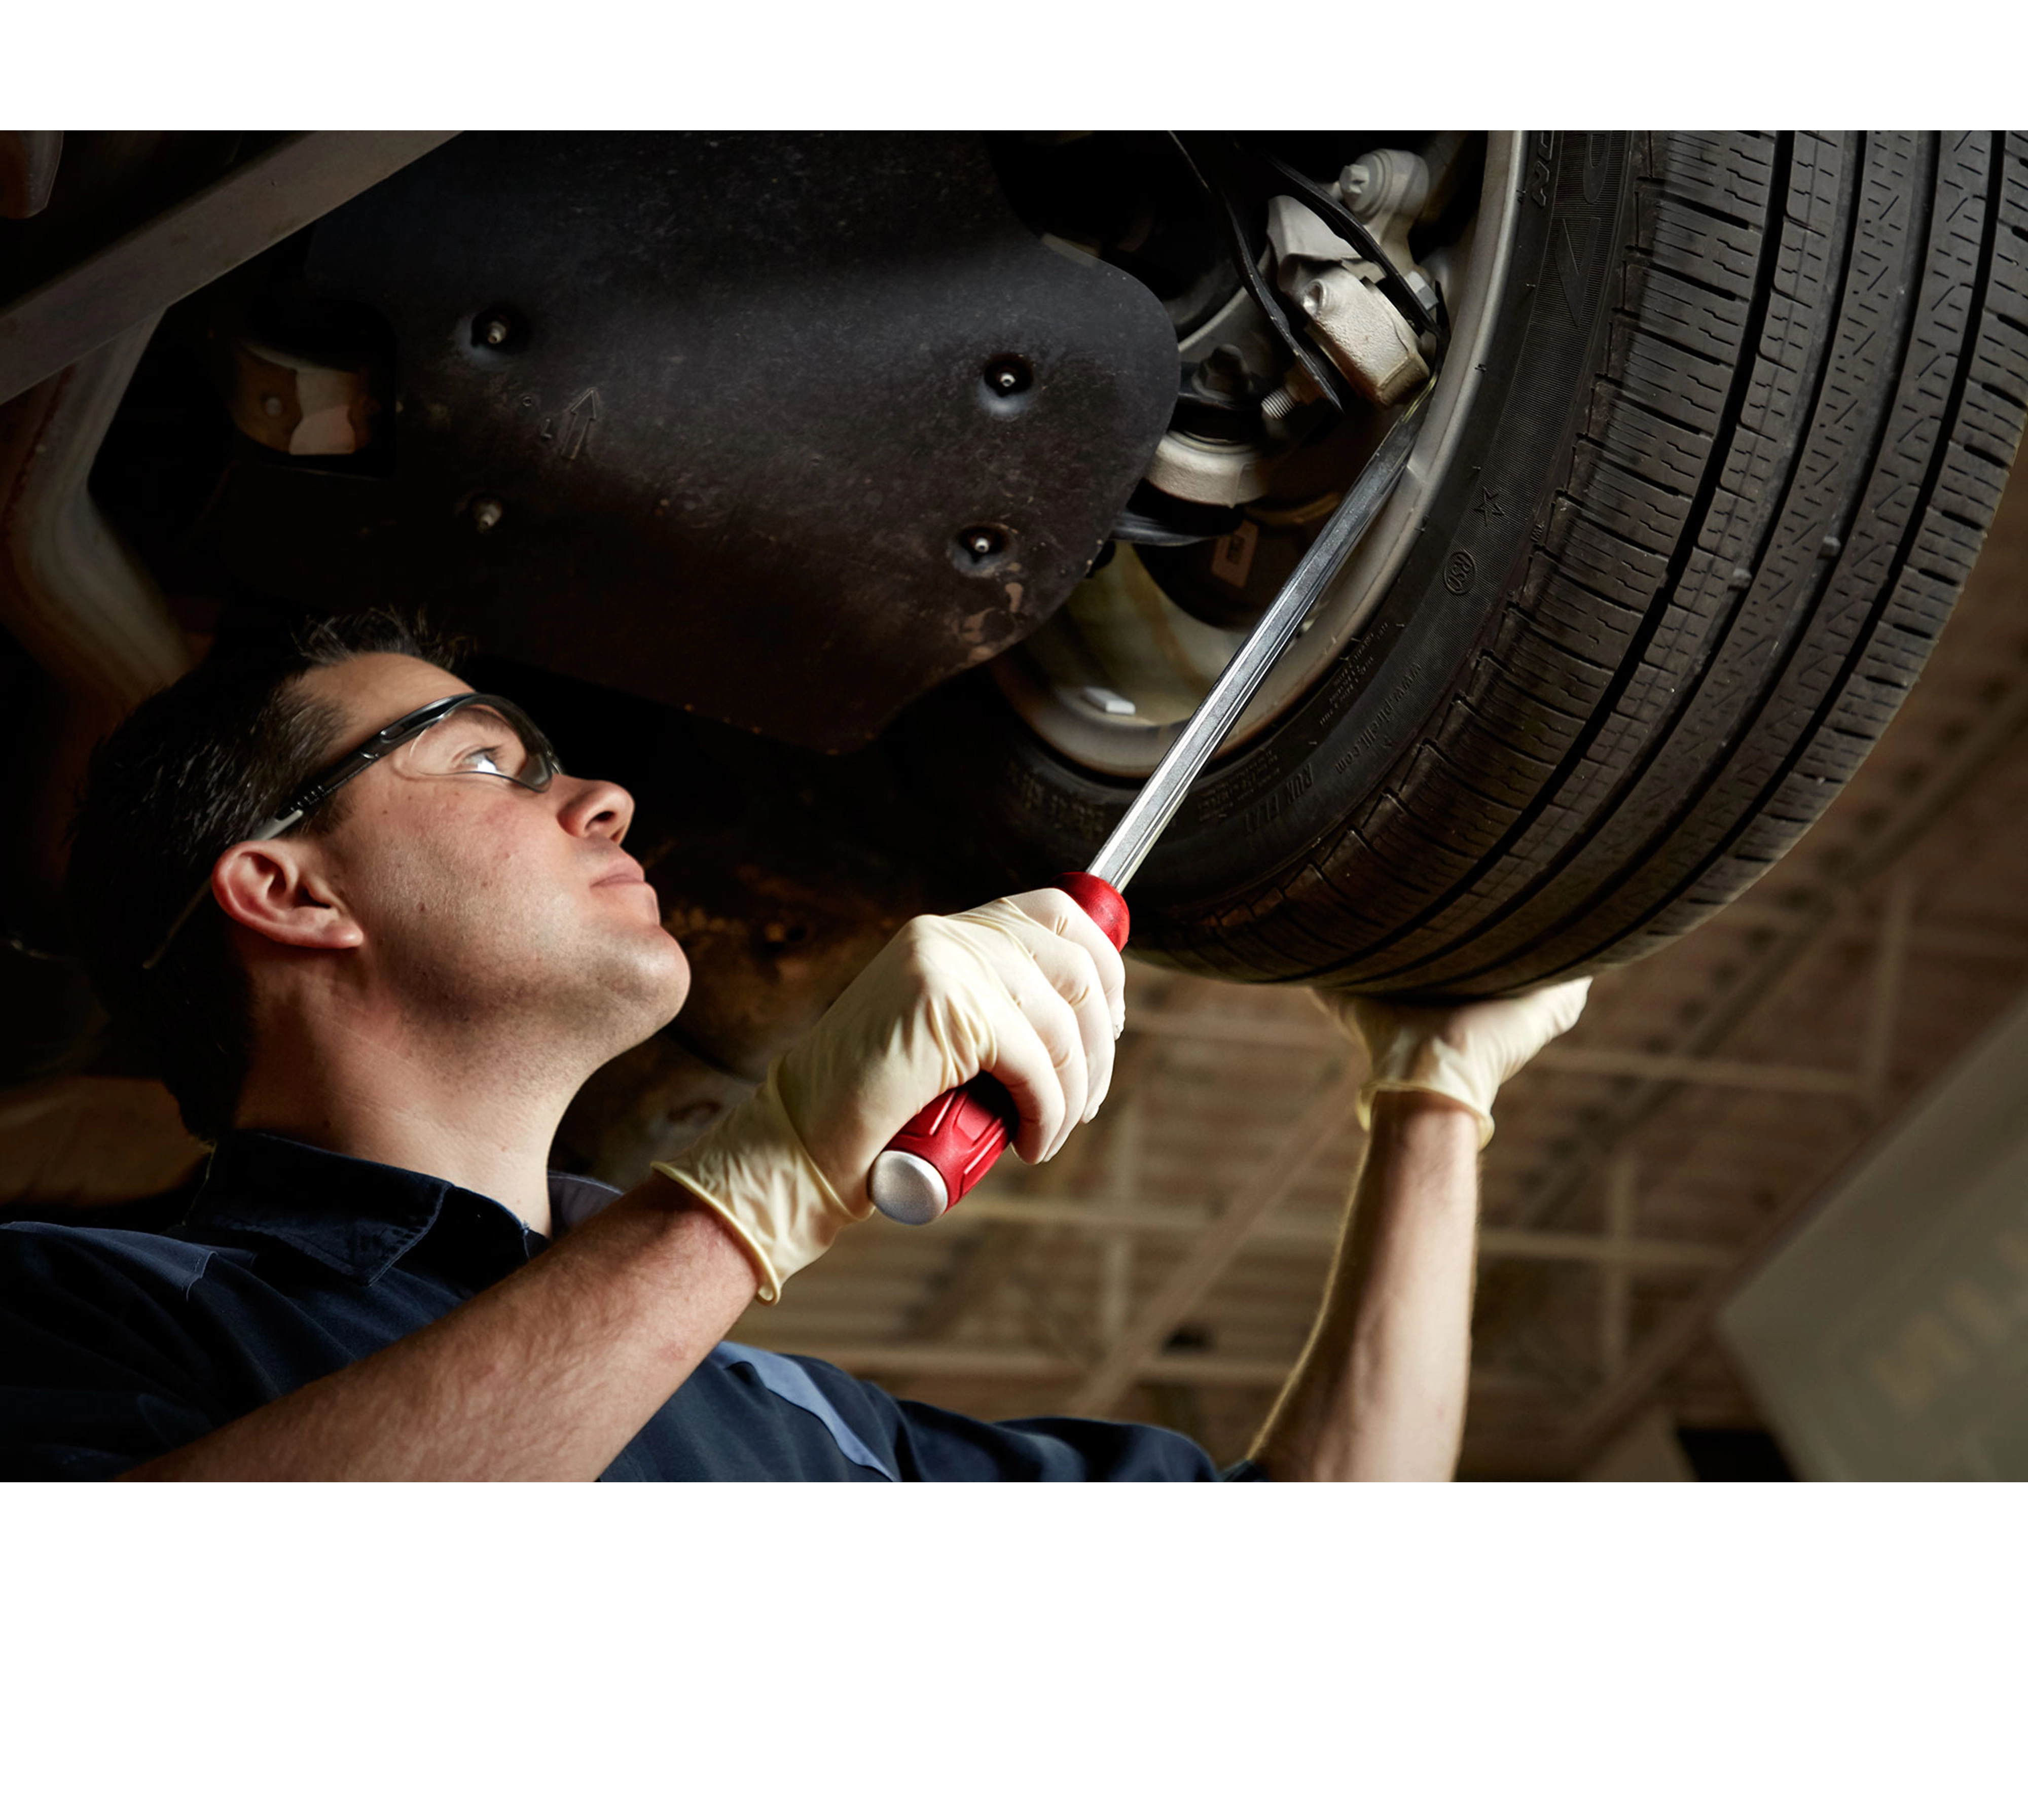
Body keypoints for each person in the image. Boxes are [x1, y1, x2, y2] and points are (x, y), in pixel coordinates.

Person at [0, 611, 1586, 1482]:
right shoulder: (72, 1306)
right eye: (484, 761)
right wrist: (751, 1198)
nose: (600, 798)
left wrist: (1435, 1092)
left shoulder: (797, 1422)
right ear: (289, 887)